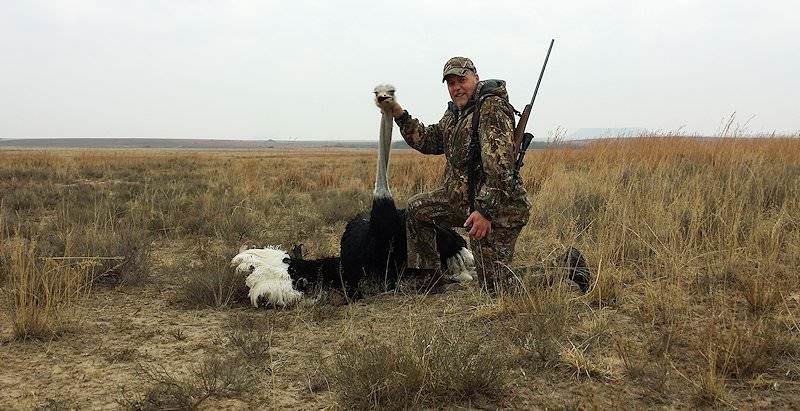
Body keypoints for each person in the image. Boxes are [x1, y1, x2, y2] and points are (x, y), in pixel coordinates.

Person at [377, 57, 531, 288]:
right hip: (463, 202)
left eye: (462, 80)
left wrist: (485, 212)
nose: (456, 87)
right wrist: (398, 112)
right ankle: (429, 277)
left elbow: (500, 169)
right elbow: (428, 140)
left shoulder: (491, 109)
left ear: (476, 79)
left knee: (496, 287)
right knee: (418, 209)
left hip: (498, 208)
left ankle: (568, 267)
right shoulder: (455, 115)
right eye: (451, 83)